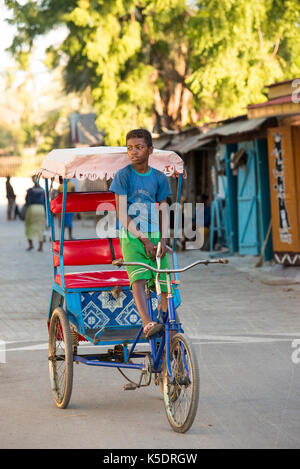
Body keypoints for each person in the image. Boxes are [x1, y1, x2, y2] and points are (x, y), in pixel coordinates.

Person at [110, 128, 172, 339]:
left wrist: (163, 238)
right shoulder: (122, 176)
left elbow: (164, 208)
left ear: (150, 150)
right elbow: (121, 212)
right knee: (139, 280)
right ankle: (147, 323)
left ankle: (163, 319)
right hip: (132, 237)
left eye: (139, 147)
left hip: (156, 234)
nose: (133, 151)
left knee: (164, 281)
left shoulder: (159, 177)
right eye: (129, 148)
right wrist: (143, 239)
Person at [24, 176, 46, 251]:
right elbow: (45, 202)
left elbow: (27, 201)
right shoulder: (43, 190)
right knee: (41, 228)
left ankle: (31, 245)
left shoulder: (30, 190)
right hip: (41, 209)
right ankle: (40, 247)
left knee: (29, 227)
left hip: (32, 209)